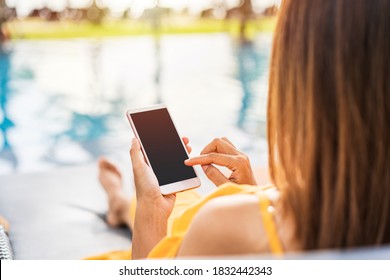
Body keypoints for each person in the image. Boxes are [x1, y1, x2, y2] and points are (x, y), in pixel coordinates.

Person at [88, 0, 390, 259]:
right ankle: (120, 204)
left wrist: (151, 210)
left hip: (212, 228)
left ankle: (118, 201)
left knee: (174, 200)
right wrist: (253, 192)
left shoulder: (226, 226)